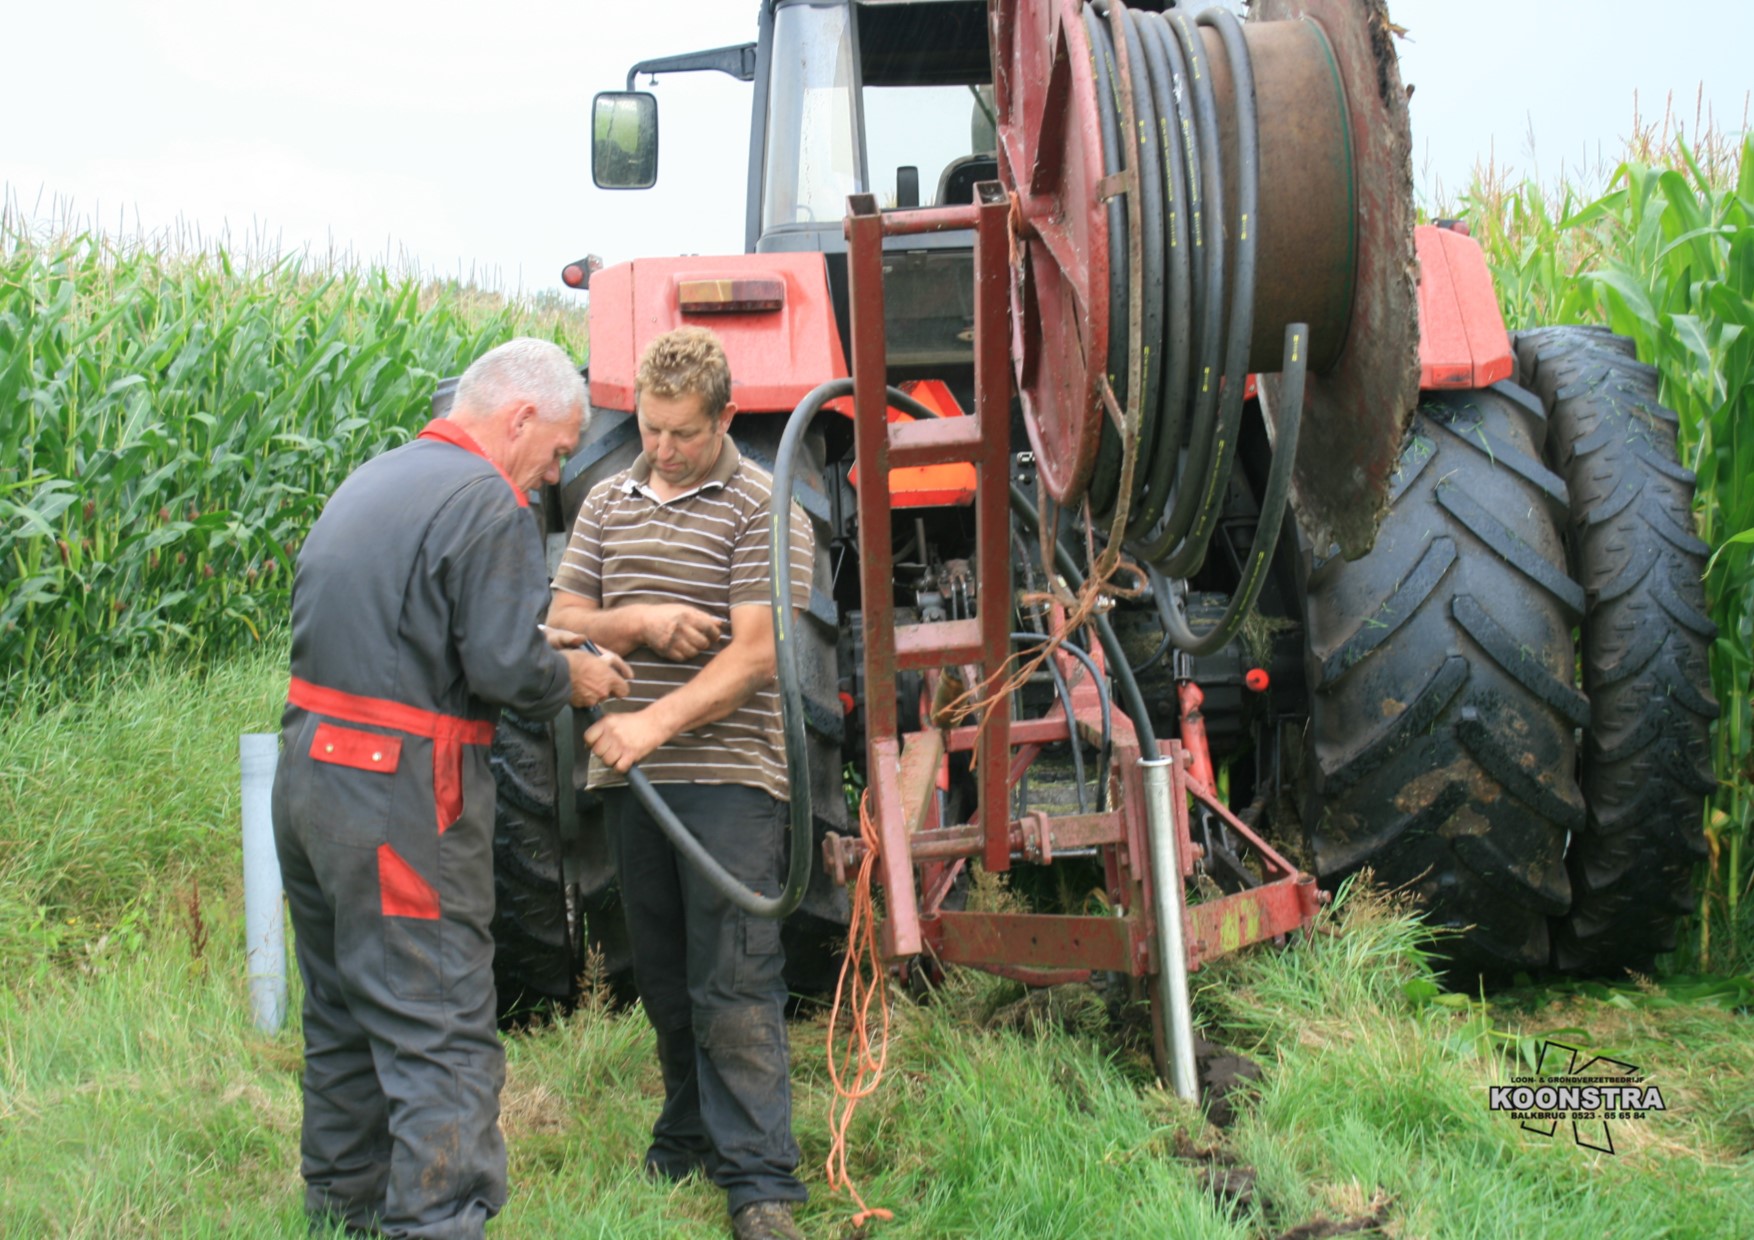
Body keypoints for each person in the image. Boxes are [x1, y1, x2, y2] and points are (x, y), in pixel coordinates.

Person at [272, 337, 633, 1238]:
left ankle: (343, 1214)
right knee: (440, 1024)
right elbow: (508, 670)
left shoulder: (380, 480)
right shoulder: (488, 502)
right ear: (518, 417)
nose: (552, 475)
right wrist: (576, 679)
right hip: (398, 799)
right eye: (554, 451)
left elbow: (429, 636)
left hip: (309, 776)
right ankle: (439, 1224)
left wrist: (539, 653)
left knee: (349, 1015)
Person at [547, 326, 813, 1240]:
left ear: (726, 418)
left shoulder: (763, 507)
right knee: (662, 976)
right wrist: (644, 621)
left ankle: (760, 1182)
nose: (661, 449)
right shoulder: (609, 502)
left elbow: (756, 654)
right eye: (650, 429)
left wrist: (651, 722)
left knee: (733, 977)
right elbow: (559, 623)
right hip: (634, 783)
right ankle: (686, 1137)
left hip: (730, 778)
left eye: (682, 434)